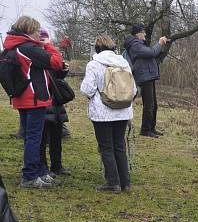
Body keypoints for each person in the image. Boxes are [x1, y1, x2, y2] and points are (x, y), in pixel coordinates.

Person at [2, 16, 65, 188]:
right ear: (29, 30)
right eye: (37, 30)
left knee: (31, 137)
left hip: (21, 97)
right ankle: (30, 175)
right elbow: (56, 62)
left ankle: (41, 171)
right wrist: (48, 45)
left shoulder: (12, 47)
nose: (39, 33)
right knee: (34, 138)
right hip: (35, 98)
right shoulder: (29, 48)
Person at [80, 34, 138, 193]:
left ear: (97, 48)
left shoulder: (94, 64)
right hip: (123, 111)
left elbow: (87, 89)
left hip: (102, 113)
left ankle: (113, 182)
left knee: (106, 146)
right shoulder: (124, 63)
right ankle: (125, 182)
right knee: (119, 145)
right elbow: (133, 90)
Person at [123, 24, 167, 138]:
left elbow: (153, 53)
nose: (145, 34)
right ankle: (145, 130)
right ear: (138, 34)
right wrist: (160, 44)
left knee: (154, 104)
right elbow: (151, 52)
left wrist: (160, 47)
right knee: (149, 104)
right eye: (143, 32)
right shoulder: (135, 45)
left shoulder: (139, 44)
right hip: (144, 76)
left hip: (149, 75)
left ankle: (151, 128)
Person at [38, 29, 71, 178]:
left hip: (56, 101)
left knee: (56, 137)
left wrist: (63, 70)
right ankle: (43, 166)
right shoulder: (38, 55)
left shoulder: (52, 54)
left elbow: (56, 74)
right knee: (42, 138)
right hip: (43, 100)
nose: (45, 41)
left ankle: (57, 166)